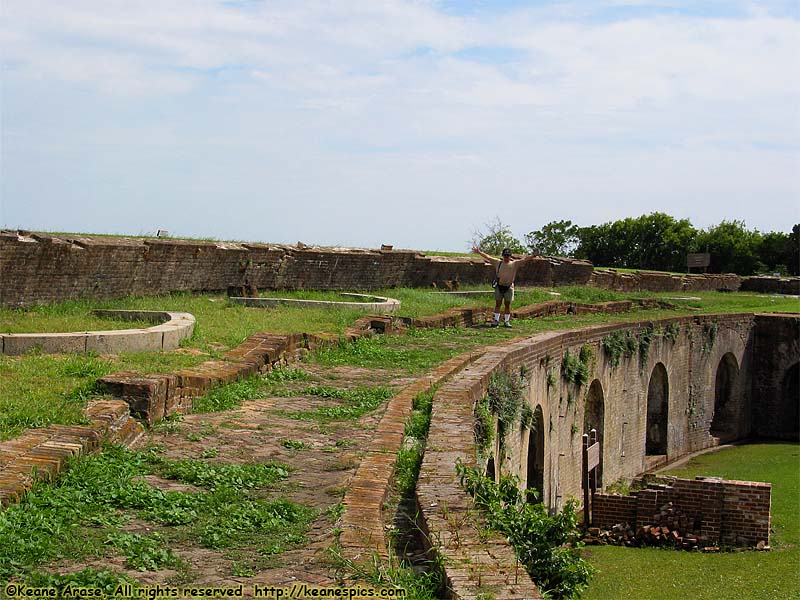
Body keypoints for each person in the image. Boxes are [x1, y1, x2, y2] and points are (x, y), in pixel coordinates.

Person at [472, 246, 538, 328]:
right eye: (505, 256)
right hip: (499, 286)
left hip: (509, 286)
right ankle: (496, 320)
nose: (506, 257)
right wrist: (479, 252)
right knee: (498, 304)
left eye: (508, 256)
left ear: (510, 256)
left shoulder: (514, 264)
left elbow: (524, 260)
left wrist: (533, 256)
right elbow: (488, 257)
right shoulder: (498, 263)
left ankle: (506, 321)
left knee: (507, 305)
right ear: (503, 256)